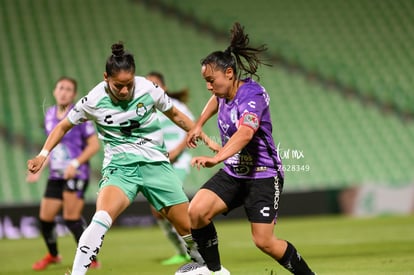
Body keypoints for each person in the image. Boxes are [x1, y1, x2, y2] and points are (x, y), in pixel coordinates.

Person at [27, 42, 219, 275]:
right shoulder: (93, 100)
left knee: (188, 228)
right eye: (119, 86)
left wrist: (206, 140)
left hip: (156, 165)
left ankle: (209, 269)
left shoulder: (148, 88)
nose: (125, 91)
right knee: (101, 218)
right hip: (120, 169)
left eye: (129, 85)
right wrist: (43, 155)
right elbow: (62, 126)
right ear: (106, 77)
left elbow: (176, 115)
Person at [180, 22, 316, 275]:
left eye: (211, 80)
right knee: (196, 211)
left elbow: (245, 134)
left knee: (264, 241)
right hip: (235, 173)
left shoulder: (253, 95)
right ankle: (215, 271)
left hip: (263, 175)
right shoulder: (223, 92)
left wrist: (217, 157)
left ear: (229, 73)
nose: (209, 86)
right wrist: (199, 125)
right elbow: (214, 99)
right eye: (206, 81)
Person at [26, 76, 101, 271]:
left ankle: (89, 257)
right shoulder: (50, 114)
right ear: (54, 91)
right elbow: (52, 147)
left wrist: (75, 163)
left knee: (71, 218)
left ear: (74, 94)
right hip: (55, 175)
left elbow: (94, 146)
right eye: (61, 88)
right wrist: (39, 168)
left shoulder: (79, 115)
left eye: (68, 89)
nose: (64, 92)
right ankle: (53, 255)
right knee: (45, 219)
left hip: (75, 175)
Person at [146, 71, 193, 265]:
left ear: (163, 88)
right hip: (156, 163)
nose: (150, 88)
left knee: (171, 205)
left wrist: (176, 152)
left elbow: (192, 128)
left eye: (155, 84)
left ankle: (194, 247)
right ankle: (182, 251)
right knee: (158, 211)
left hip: (178, 163)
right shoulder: (143, 111)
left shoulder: (177, 107)